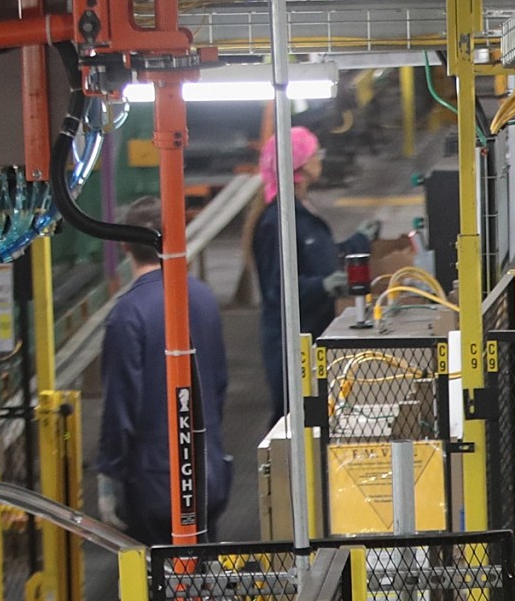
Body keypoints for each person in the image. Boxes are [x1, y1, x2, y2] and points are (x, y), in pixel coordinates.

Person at [99, 195, 233, 545]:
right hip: (208, 476)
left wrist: (109, 474)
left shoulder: (128, 314)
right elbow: (217, 386)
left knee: (157, 588)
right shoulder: (203, 298)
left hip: (155, 485)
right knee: (203, 583)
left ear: (125, 244)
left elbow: (120, 404)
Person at [252, 125, 350, 421]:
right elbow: (278, 289)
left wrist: (359, 242)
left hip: (312, 335)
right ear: (301, 164)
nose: (321, 159)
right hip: (291, 346)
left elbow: (317, 257)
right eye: (316, 153)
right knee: (292, 422)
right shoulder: (277, 220)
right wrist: (324, 286)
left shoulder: (299, 209)